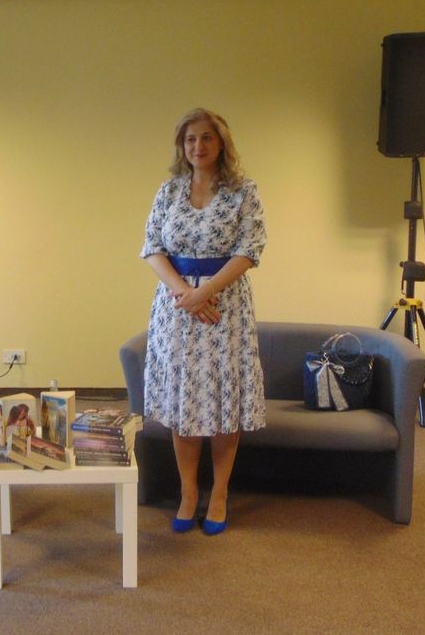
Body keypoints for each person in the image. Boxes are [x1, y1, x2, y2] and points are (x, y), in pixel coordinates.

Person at [140, 107, 267, 536]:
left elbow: (250, 249)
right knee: (185, 403)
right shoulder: (168, 191)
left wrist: (205, 291)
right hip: (177, 309)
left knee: (223, 402)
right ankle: (188, 492)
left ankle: (220, 494)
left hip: (224, 309)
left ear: (221, 143)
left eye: (207, 137)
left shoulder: (243, 191)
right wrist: (186, 294)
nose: (198, 146)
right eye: (190, 138)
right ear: (182, 145)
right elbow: (152, 248)